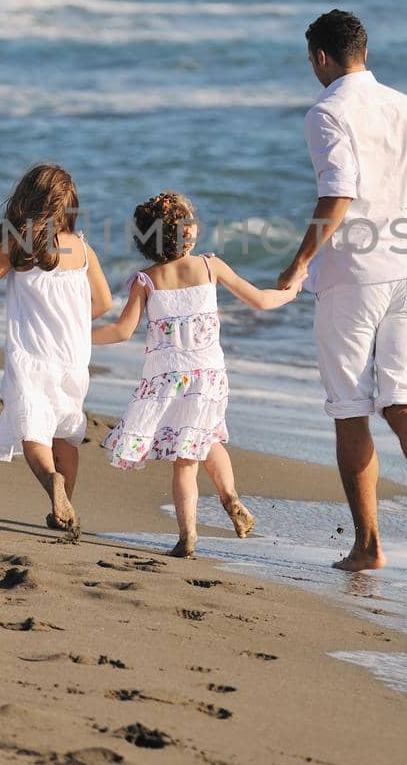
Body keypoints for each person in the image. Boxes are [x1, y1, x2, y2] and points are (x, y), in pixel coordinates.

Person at [276, 9, 407, 575]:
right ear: (365, 52)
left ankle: (368, 546)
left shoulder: (327, 111)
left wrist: (300, 262)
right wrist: (396, 234)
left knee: (351, 408)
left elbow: (338, 194)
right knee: (404, 402)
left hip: (352, 278)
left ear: (321, 58)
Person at [93, 192, 296, 557]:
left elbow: (122, 331)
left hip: (167, 378)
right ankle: (230, 497)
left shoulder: (146, 280)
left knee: (185, 461)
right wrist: (291, 291)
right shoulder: (209, 267)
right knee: (208, 439)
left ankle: (187, 537)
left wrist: (80, 337)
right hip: (208, 375)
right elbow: (261, 301)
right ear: (188, 233)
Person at [0, 163, 112, 535]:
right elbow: (105, 303)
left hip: (31, 357)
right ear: (69, 206)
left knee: (34, 434)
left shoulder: (18, 243)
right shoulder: (82, 249)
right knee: (65, 435)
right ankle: (64, 508)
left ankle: (51, 483)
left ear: (26, 200)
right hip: (73, 359)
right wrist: (75, 323)